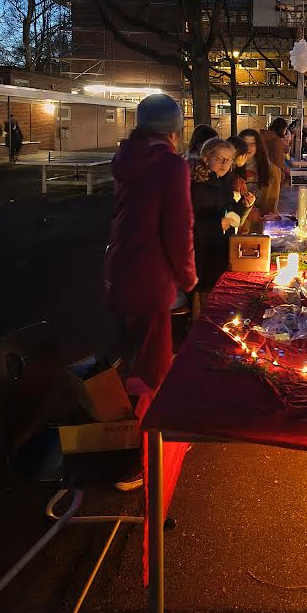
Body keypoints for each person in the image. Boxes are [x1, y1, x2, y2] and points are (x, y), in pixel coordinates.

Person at [105, 94, 196, 397]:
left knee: (128, 356)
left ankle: (124, 426)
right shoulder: (171, 166)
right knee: (151, 367)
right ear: (175, 130)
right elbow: (178, 229)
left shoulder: (128, 159)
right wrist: (188, 277)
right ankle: (147, 438)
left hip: (120, 268)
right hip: (151, 274)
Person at [189, 138, 248, 294]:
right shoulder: (195, 185)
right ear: (206, 158)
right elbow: (187, 223)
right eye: (219, 159)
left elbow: (231, 215)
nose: (224, 164)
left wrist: (243, 205)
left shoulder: (224, 183)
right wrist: (216, 224)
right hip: (201, 255)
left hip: (220, 250)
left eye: (228, 160)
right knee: (203, 295)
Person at [238, 128, 282, 232]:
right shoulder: (231, 169)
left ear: (258, 146)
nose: (249, 147)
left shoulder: (272, 171)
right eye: (245, 143)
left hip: (262, 226)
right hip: (238, 226)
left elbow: (272, 202)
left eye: (253, 143)